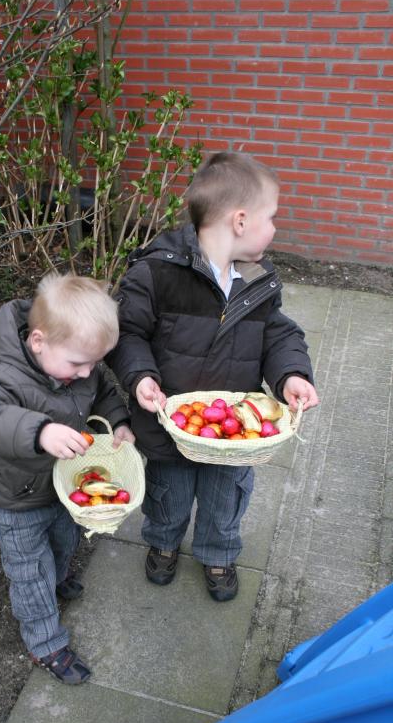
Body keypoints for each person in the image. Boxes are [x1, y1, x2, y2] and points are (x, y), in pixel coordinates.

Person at [106, 151, 319, 602]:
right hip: (170, 422)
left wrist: (290, 376)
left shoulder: (258, 279)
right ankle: (163, 544)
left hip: (234, 432)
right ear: (240, 221)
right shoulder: (157, 272)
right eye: (272, 218)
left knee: (227, 500)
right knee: (168, 494)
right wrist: (140, 376)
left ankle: (218, 552)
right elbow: (128, 333)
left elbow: (277, 336)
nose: (276, 228)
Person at [0, 272, 134, 684]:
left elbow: (103, 391)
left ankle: (58, 578)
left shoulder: (78, 365)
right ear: (39, 341)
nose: (86, 372)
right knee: (28, 569)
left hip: (62, 485)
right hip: (17, 496)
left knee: (64, 540)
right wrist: (39, 431)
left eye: (94, 362)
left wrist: (120, 422)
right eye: (79, 362)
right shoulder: (0, 375)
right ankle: (46, 642)